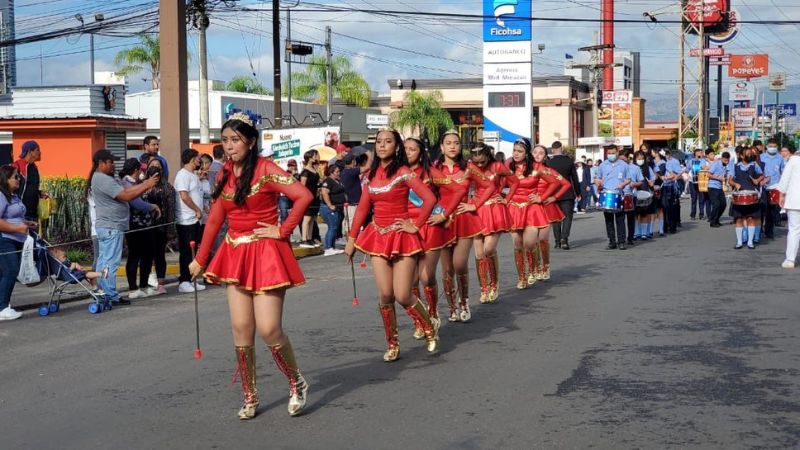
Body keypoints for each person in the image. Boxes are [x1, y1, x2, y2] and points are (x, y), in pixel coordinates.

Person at [189, 114, 313, 420]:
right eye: (226, 141)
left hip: (267, 252)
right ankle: (250, 395)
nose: (230, 147)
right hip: (235, 253)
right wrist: (201, 259)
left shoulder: (266, 169)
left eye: (236, 140)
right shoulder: (223, 175)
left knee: (270, 329)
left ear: (251, 141)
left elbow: (303, 196)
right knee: (242, 328)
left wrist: (282, 231)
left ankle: (296, 383)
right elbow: (216, 218)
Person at [344, 128, 441, 362]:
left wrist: (415, 225)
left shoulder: (404, 172)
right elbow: (363, 209)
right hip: (378, 236)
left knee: (402, 294)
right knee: (385, 294)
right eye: (379, 142)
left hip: (402, 237)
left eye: (388, 142)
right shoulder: (372, 175)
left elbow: (429, 198)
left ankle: (429, 323)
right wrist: (351, 240)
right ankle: (392, 343)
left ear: (396, 147)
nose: (382, 145)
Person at [404, 137, 465, 338]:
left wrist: (444, 214)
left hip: (429, 226)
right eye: (405, 149)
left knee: (426, 276)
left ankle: (432, 312)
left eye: (412, 149)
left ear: (421, 153)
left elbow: (458, 191)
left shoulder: (430, 172)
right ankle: (421, 320)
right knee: (410, 280)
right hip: (406, 228)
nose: (408, 152)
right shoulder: (396, 173)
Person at [435, 130, 493, 323]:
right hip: (441, 221)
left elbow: (490, 187)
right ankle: (451, 306)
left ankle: (464, 302)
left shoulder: (469, 167)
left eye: (456, 143)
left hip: (464, 219)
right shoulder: (434, 168)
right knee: (446, 269)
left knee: (459, 264)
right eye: (448, 143)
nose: (452, 146)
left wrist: (474, 204)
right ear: (441, 147)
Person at [88, 149, 159, 305]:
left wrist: (144, 185)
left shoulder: (103, 178)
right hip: (110, 226)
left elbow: (126, 191)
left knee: (104, 262)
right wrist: (147, 184)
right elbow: (126, 196)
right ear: (101, 163)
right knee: (110, 263)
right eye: (110, 162)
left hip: (110, 226)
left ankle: (103, 293)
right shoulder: (102, 179)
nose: (113, 165)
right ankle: (110, 295)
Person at [508, 139, 568, 288]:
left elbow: (562, 183)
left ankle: (542, 266)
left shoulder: (541, 169)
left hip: (537, 207)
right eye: (514, 150)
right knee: (517, 244)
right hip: (514, 208)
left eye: (541, 153)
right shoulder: (508, 166)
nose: (516, 153)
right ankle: (522, 276)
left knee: (537, 241)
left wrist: (548, 197)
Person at [470, 143, 517, 303]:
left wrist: (506, 199)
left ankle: (494, 284)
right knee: (479, 253)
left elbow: (515, 182)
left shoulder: (498, 166)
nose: (480, 165)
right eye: (477, 162)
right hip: (476, 209)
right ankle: (484, 289)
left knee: (488, 249)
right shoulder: (470, 167)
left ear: (488, 156)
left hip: (495, 209)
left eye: (482, 161)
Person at [119, 158, 161, 299]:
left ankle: (143, 285)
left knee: (148, 255)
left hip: (146, 224)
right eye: (140, 169)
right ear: (136, 170)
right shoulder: (125, 183)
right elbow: (136, 203)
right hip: (134, 225)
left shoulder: (138, 182)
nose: (142, 171)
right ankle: (132, 288)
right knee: (134, 255)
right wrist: (152, 206)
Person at [0, 165, 36, 320]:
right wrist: (16, 228)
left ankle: (3, 305)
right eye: (15, 176)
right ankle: (2, 308)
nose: (18, 179)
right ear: (6, 179)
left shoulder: (13, 196)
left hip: (17, 239)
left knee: (4, 273)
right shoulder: (1, 196)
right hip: (5, 239)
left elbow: (14, 217)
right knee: (11, 270)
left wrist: (26, 224)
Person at [531, 144, 570, 279]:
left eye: (541, 153)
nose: (537, 155)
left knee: (542, 239)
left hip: (545, 207)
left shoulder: (549, 171)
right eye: (535, 152)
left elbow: (566, 184)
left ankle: (545, 266)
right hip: (529, 208)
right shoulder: (525, 171)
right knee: (531, 241)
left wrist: (554, 197)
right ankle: (534, 267)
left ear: (545, 157)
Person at [174, 149, 206, 294]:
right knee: (186, 252)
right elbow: (184, 196)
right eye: (198, 158)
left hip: (195, 220)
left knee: (194, 251)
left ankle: (192, 279)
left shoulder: (193, 175)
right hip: (186, 220)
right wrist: (196, 210)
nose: (200, 161)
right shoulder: (182, 175)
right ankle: (184, 281)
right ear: (192, 159)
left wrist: (203, 210)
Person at [142, 158, 175, 295]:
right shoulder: (142, 186)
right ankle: (144, 284)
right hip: (144, 226)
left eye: (158, 166)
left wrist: (170, 228)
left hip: (161, 226)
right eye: (152, 165)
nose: (155, 168)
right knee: (146, 256)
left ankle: (161, 283)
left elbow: (171, 209)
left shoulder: (167, 187)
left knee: (159, 255)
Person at [595, 144, 631, 249]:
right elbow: (597, 177)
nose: (610, 155)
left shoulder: (623, 165)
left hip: (618, 194)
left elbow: (628, 179)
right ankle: (612, 241)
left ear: (617, 153)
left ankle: (621, 241)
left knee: (620, 219)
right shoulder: (603, 165)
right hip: (606, 193)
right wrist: (597, 181)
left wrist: (623, 184)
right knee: (608, 219)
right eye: (609, 153)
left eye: (613, 153)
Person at [547, 141, 580, 249]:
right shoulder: (569, 161)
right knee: (567, 217)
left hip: (553, 193)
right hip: (567, 193)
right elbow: (574, 178)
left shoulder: (549, 162)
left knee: (556, 218)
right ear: (561, 148)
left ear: (552, 149)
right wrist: (578, 192)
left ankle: (557, 241)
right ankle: (564, 239)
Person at [729, 147, 764, 249]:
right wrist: (735, 184)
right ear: (741, 156)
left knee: (751, 218)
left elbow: (761, 175)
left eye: (750, 154)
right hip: (739, 194)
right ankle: (739, 242)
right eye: (747, 154)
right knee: (739, 219)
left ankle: (750, 242)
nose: (750, 155)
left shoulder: (754, 165)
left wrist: (757, 180)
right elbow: (730, 180)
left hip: (752, 194)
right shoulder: (735, 166)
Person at [12, 140, 47, 221]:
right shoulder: (17, 166)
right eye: (37, 150)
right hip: (21, 213)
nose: (40, 152)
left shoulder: (34, 167)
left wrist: (39, 193)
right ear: (30, 151)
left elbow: (29, 187)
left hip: (33, 213)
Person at [778, 147, 799, 268]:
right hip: (794, 200)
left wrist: (782, 195)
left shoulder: (793, 161)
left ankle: (790, 259)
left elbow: (784, 180)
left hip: (794, 200)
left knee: (794, 230)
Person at [761, 139, 785, 240]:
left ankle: (769, 231)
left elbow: (783, 171)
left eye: (774, 146)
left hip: (775, 186)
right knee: (763, 209)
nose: (772, 148)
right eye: (771, 146)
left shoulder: (780, 158)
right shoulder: (761, 157)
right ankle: (759, 228)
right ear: (767, 146)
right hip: (763, 186)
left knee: (771, 211)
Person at [319, 164, 346, 256]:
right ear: (331, 172)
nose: (339, 173)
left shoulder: (338, 181)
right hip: (329, 208)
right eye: (337, 172)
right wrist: (330, 205)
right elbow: (324, 193)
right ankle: (328, 247)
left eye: (339, 171)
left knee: (335, 227)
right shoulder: (328, 181)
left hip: (338, 207)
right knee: (332, 227)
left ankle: (332, 246)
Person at [299, 150, 321, 248]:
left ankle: (310, 238)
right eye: (315, 155)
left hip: (315, 197)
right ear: (310, 157)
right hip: (308, 197)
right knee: (307, 218)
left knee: (312, 218)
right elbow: (302, 186)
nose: (316, 157)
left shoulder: (314, 169)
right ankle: (304, 239)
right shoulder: (305, 171)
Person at [632, 150, 655, 240]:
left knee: (644, 213)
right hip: (634, 192)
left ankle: (644, 233)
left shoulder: (648, 168)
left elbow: (653, 178)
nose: (640, 160)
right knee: (635, 214)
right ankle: (636, 232)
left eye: (642, 159)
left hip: (645, 192)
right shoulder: (632, 168)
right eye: (638, 158)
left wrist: (651, 183)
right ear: (635, 159)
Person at [707, 150, 730, 228]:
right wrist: (718, 178)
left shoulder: (725, 166)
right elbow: (708, 174)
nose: (726, 162)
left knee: (723, 204)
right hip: (712, 186)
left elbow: (724, 176)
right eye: (725, 160)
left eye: (728, 160)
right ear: (722, 158)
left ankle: (717, 219)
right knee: (716, 204)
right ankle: (712, 221)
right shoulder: (716, 164)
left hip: (719, 187)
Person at [662, 150, 683, 234]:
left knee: (672, 207)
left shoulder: (674, 161)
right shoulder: (664, 162)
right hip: (664, 186)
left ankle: (673, 225)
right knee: (665, 207)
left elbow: (678, 174)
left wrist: (673, 177)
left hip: (672, 186)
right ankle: (665, 226)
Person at [686, 148, 710, 221]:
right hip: (692, 182)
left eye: (701, 152)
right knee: (694, 199)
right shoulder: (690, 161)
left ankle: (701, 214)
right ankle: (693, 214)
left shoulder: (703, 160)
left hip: (701, 181)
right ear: (695, 153)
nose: (701, 153)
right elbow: (687, 169)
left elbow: (706, 168)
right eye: (699, 152)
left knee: (701, 199)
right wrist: (690, 174)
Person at [279, 160, 298, 226]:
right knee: (284, 215)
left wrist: (294, 175)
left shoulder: (297, 175)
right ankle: (282, 232)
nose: (291, 167)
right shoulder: (284, 173)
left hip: (293, 197)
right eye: (290, 165)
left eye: (293, 165)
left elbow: (297, 184)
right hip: (284, 197)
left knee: (295, 217)